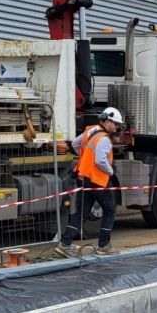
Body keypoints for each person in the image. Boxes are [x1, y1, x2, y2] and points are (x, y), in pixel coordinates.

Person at [55, 107, 123, 257]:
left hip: (84, 177)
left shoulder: (91, 130)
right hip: (97, 180)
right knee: (110, 210)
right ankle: (103, 246)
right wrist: (111, 172)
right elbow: (100, 161)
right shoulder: (104, 139)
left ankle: (65, 244)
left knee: (82, 212)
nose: (117, 127)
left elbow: (75, 144)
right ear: (107, 121)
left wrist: (85, 157)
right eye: (116, 124)